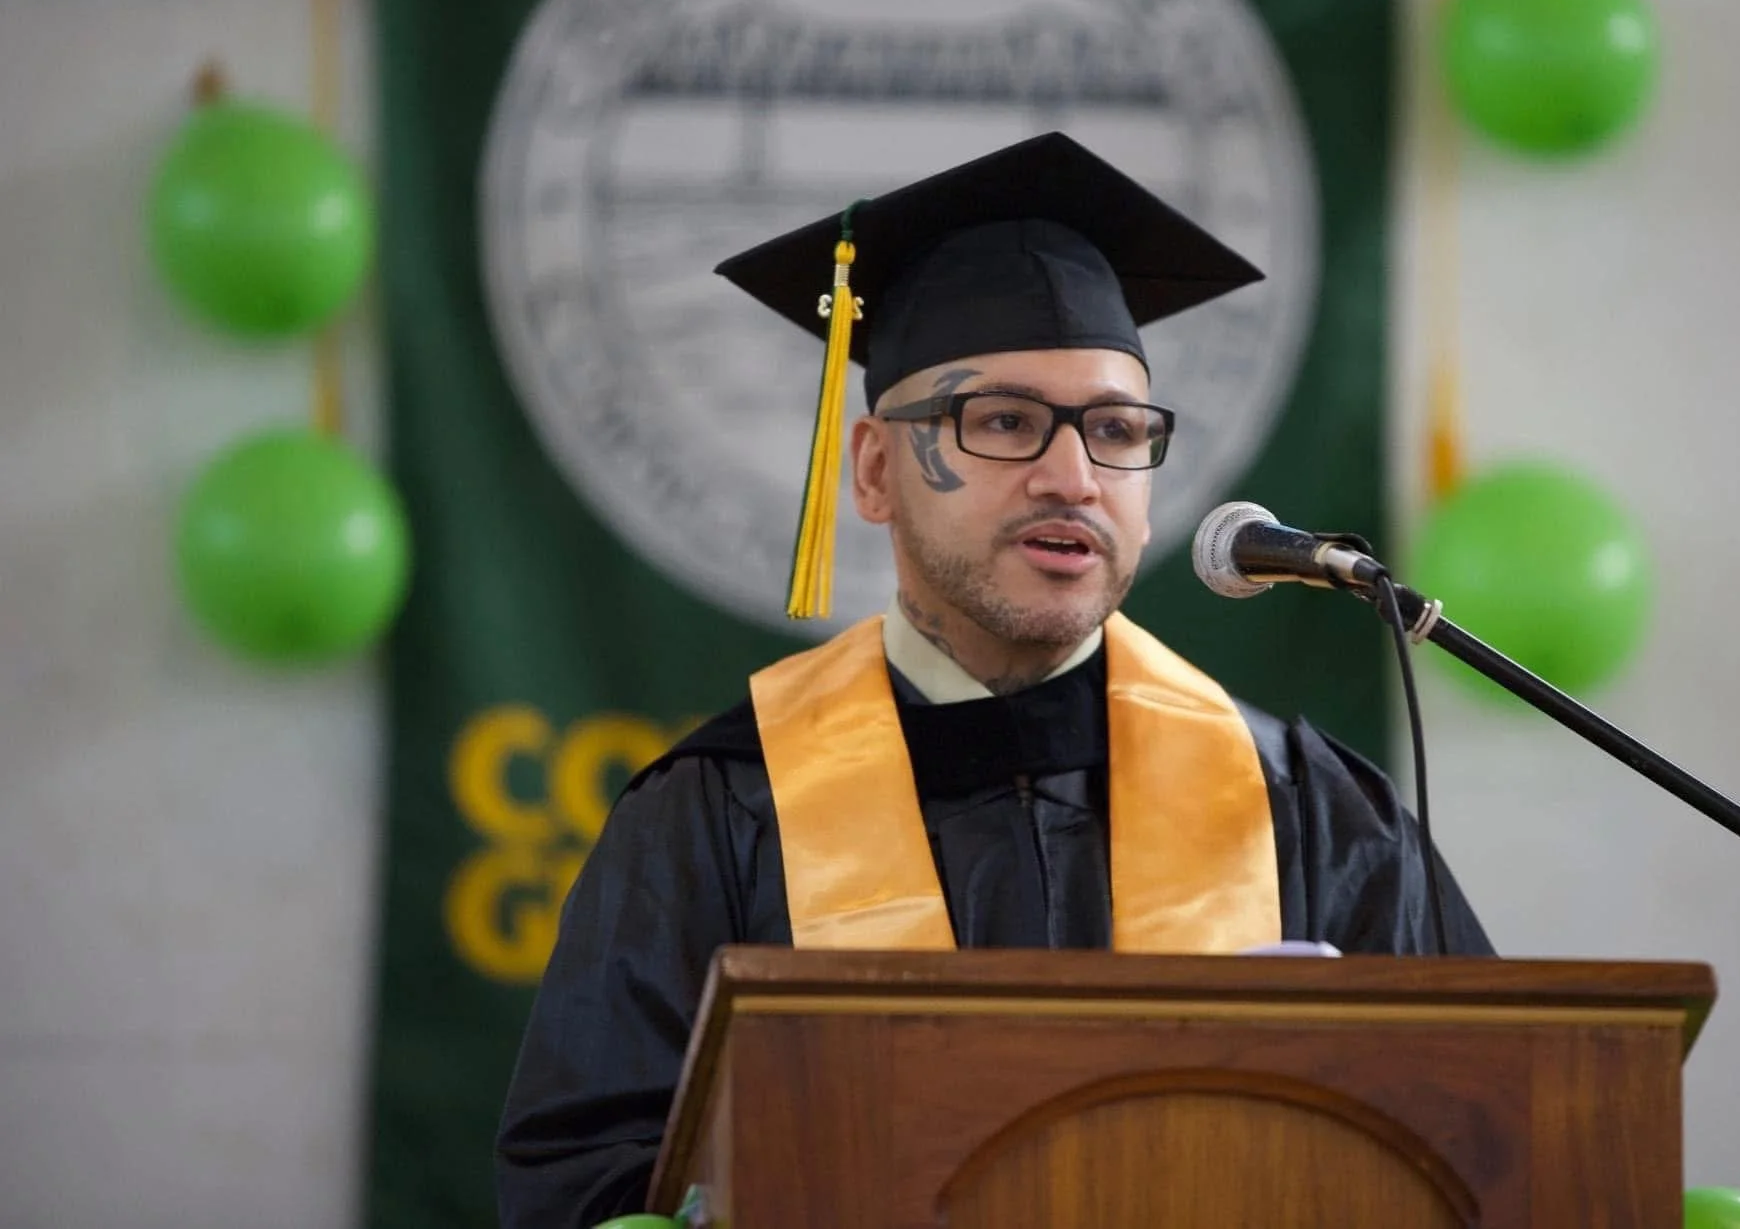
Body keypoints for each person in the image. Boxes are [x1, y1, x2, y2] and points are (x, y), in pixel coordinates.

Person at [494, 133, 1493, 1226]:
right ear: (876, 469)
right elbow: (583, 1187)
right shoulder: (719, 813)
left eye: (1115, 430)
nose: (1071, 476)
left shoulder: (1306, 808)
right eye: (1005, 421)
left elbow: (1478, 1147)